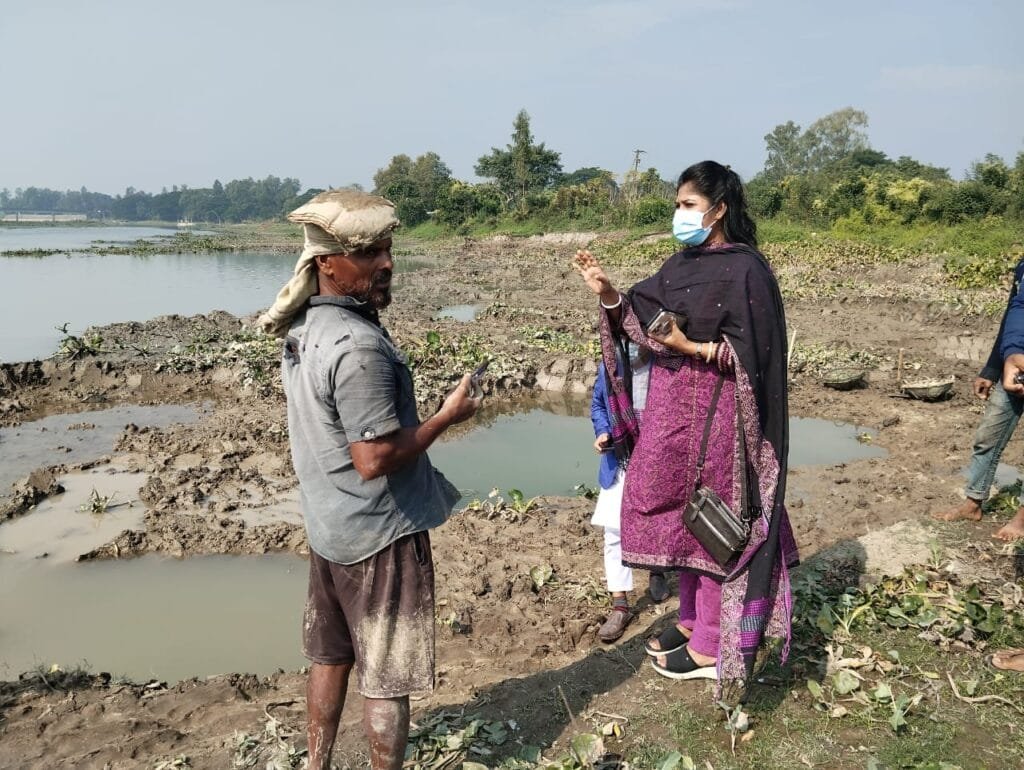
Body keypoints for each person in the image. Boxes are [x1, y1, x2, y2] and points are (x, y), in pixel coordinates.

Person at [261, 190, 481, 770]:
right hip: (379, 534)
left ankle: (317, 763)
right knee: (386, 678)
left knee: (329, 656)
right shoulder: (359, 347)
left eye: (387, 249)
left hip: (330, 526)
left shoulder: (306, 328)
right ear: (326, 265)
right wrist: (446, 416)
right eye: (368, 254)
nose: (386, 264)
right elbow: (375, 459)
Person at [573, 161, 798, 689]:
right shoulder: (681, 265)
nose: (679, 214)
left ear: (718, 210)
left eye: (689, 205)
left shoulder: (747, 271)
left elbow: (755, 358)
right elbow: (639, 320)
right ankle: (692, 621)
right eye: (678, 205)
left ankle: (711, 647)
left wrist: (688, 346)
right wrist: (608, 293)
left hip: (722, 417)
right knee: (681, 512)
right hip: (675, 415)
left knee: (717, 522)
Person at [933, 256, 1024, 542]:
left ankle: (1022, 519)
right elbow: (1014, 313)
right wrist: (993, 366)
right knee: (988, 436)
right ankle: (973, 503)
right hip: (1016, 365)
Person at [589, 344, 669, 643]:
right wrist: (602, 431)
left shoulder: (666, 366)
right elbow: (597, 405)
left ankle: (656, 570)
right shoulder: (611, 367)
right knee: (614, 531)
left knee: (658, 521)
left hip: (657, 459)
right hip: (620, 456)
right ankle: (620, 604)